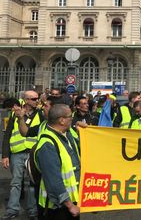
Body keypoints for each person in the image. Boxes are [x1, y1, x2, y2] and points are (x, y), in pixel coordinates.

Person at [35, 104, 80, 220]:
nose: (72, 119)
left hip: (68, 203)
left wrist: (83, 131)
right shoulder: (47, 144)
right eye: (71, 116)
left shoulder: (66, 135)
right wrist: (70, 206)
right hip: (56, 207)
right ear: (62, 120)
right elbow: (53, 180)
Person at [1, 90, 42, 220]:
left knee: (32, 183)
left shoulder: (40, 114)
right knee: (15, 182)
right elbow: (7, 135)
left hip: (33, 153)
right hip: (17, 152)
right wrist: (5, 155)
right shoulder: (14, 114)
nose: (37, 101)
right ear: (26, 100)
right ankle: (13, 209)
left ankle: (32, 210)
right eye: (34, 99)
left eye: (37, 98)